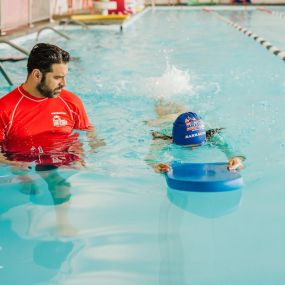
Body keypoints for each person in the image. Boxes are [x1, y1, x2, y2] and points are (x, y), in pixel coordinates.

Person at [0, 43, 103, 170]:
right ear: (37, 75)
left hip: (66, 161)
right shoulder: (5, 109)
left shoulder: (71, 102)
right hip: (24, 167)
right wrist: (11, 164)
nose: (64, 84)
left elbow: (89, 131)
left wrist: (93, 156)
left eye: (64, 77)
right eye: (57, 78)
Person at [145, 100, 245, 173]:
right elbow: (151, 157)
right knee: (161, 106)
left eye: (198, 144)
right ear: (174, 140)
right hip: (165, 121)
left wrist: (236, 159)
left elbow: (230, 149)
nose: (193, 148)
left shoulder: (210, 134)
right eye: (187, 146)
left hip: (188, 120)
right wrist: (156, 166)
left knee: (182, 109)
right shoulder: (164, 138)